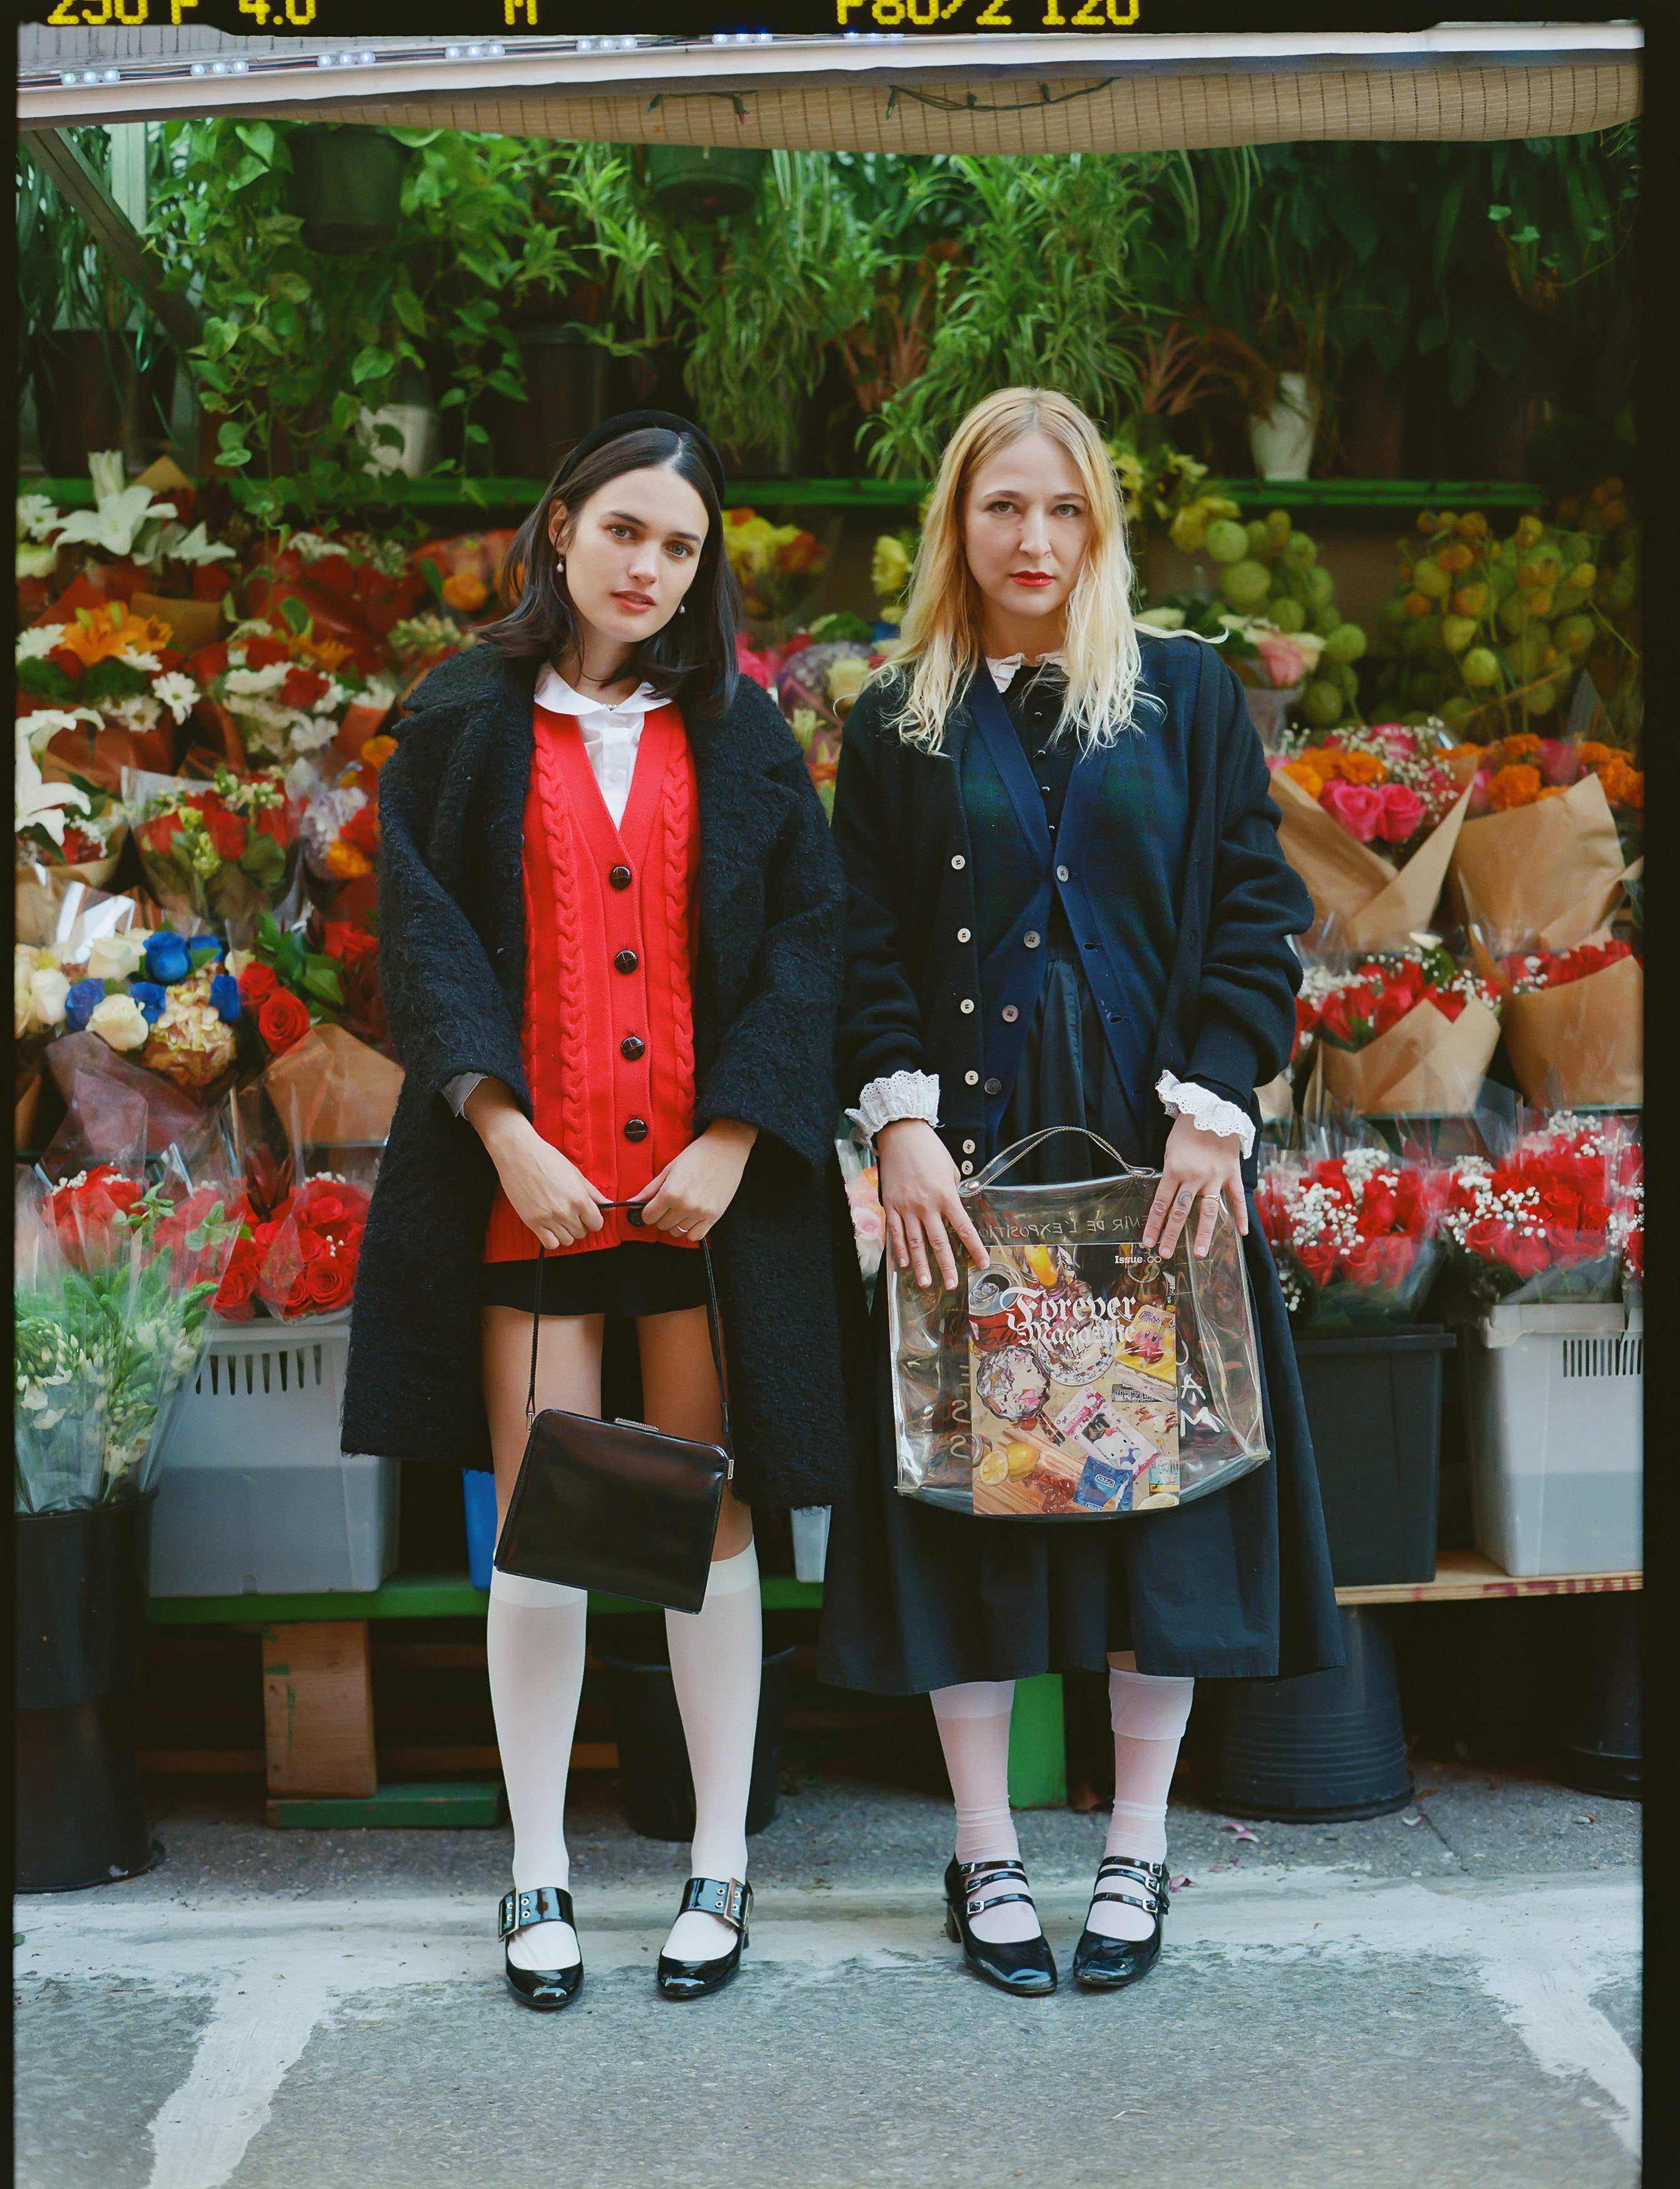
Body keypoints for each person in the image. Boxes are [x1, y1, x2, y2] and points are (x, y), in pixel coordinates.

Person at [818, 387, 1342, 1998]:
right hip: (965, 1171)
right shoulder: (899, 713)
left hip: (1152, 1161)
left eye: (1060, 510)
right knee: (971, 1494)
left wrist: (1215, 1098)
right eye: (1000, 509)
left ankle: (1133, 1847)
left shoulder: (1180, 696)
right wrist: (895, 1121)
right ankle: (982, 1852)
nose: (1031, 540)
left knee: (1151, 1504)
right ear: (955, 527)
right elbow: (854, 936)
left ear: (1098, 524)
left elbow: (1255, 912)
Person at [343, 411, 865, 2010]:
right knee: (546, 1538)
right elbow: (420, 940)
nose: (650, 567)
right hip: (535, 1202)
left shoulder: (743, 730)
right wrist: (500, 1130)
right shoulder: (460, 718)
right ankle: (540, 1869)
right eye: (625, 530)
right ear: (558, 525)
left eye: (681, 547)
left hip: (701, 1211)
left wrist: (735, 1136)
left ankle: (719, 1858)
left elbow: (806, 937)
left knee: (707, 1524)